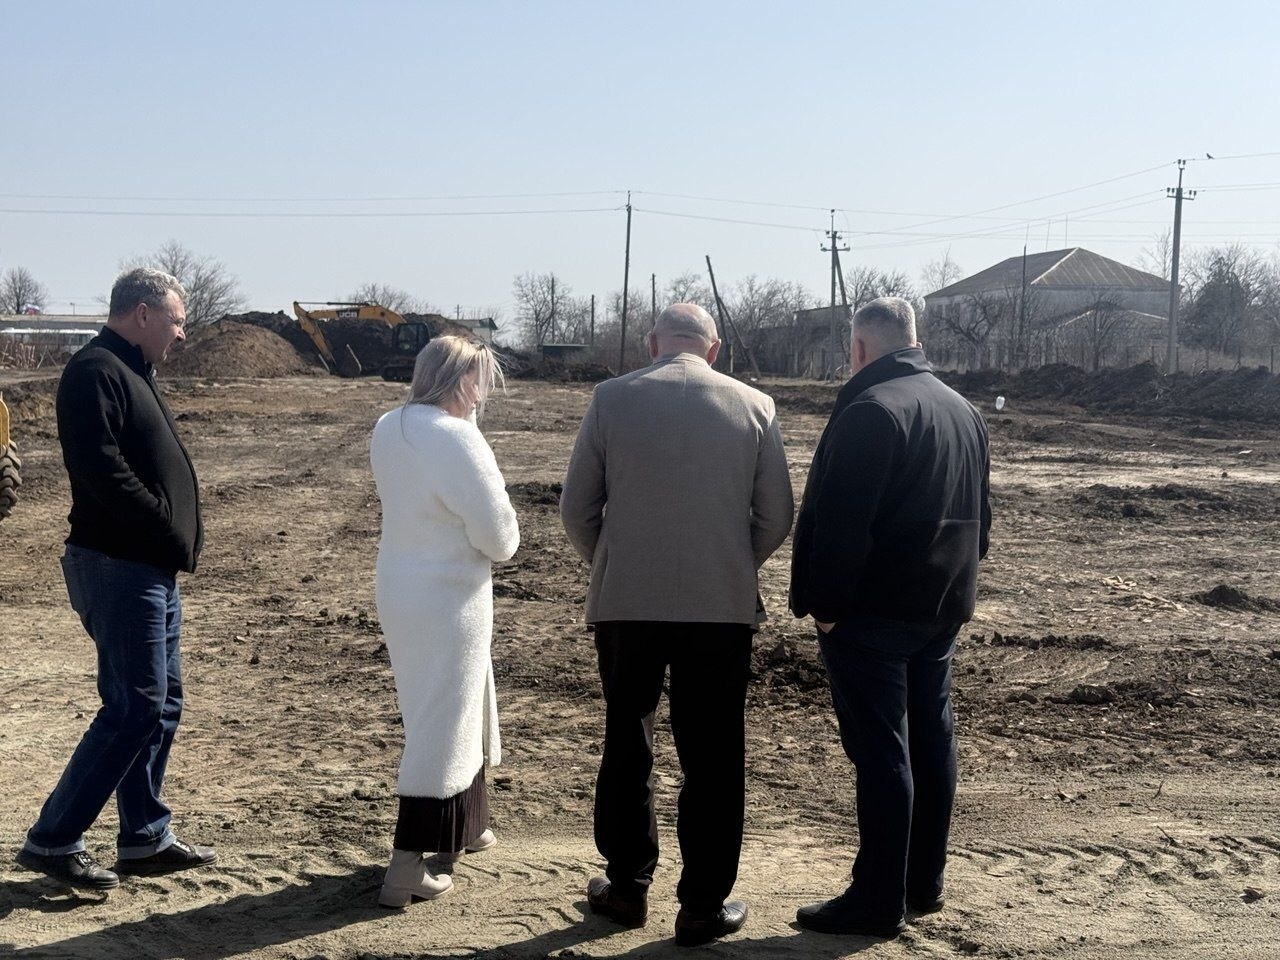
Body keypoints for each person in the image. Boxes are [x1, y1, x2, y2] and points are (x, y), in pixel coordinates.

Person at [560, 303, 794, 947]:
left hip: (627, 605)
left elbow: (577, 510)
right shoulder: (755, 405)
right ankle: (702, 906)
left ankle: (626, 888)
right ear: (714, 350)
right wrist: (731, 564)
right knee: (714, 753)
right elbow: (777, 516)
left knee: (626, 741)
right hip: (719, 609)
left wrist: (614, 563)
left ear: (652, 343)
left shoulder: (611, 399)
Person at [789, 296, 991, 938]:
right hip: (941, 606)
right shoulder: (962, 409)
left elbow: (840, 527)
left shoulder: (871, 411)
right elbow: (982, 520)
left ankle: (877, 899)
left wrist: (826, 608)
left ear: (858, 348)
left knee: (882, 753)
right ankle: (921, 882)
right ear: (914, 339)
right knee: (931, 740)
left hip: (874, 613)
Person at [19, 268, 215, 891]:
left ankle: (144, 836)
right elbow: (99, 468)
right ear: (142, 313)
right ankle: (53, 840)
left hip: (147, 567)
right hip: (117, 565)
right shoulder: (95, 370)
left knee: (161, 704)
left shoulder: (132, 369)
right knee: (134, 707)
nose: (182, 334)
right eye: (177, 321)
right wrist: (161, 522)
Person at [369, 335, 519, 908]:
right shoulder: (457, 438)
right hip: (450, 597)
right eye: (480, 380)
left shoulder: (390, 426)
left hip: (401, 588)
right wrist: (471, 432)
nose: (485, 392)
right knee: (443, 719)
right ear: (461, 382)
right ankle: (405, 866)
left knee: (452, 704)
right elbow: (500, 538)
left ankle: (467, 823)